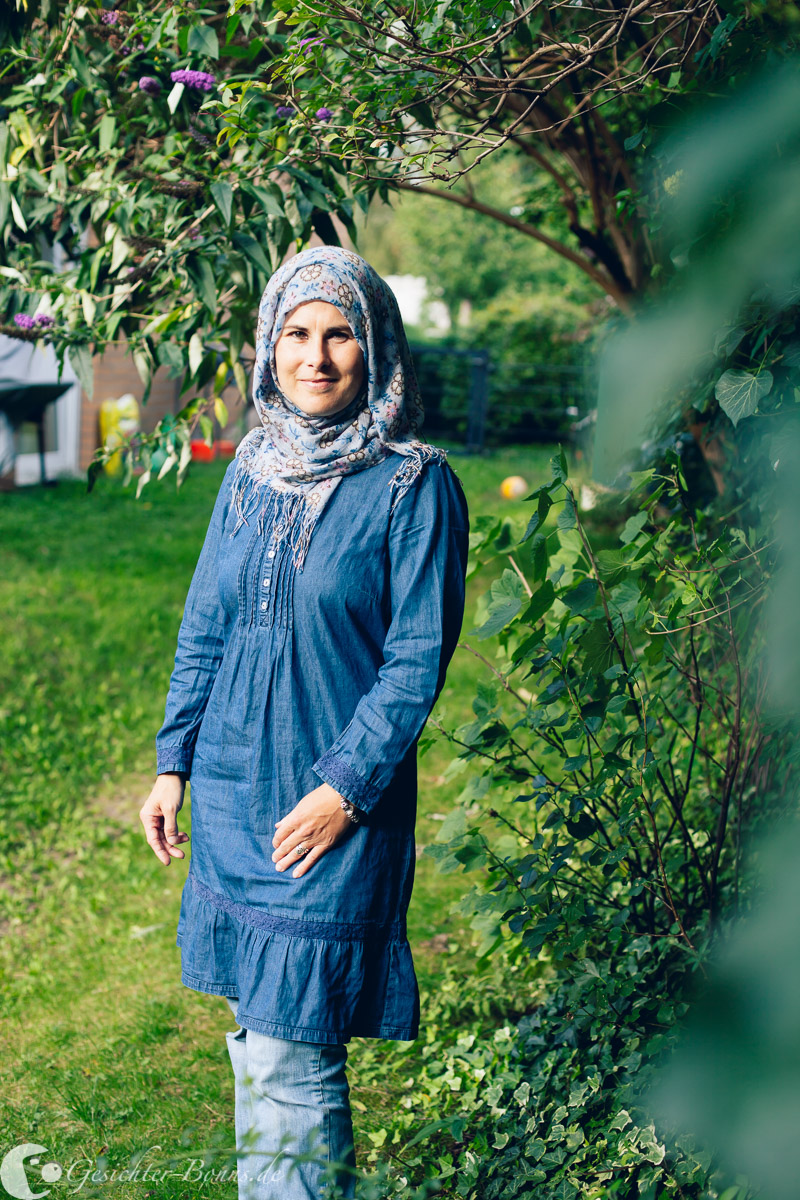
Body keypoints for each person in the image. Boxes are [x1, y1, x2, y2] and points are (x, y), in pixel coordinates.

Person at [139, 245, 470, 1200]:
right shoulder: (252, 467)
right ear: (268, 348)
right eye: (296, 333)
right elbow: (208, 622)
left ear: (375, 350)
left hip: (328, 814)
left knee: (291, 1061)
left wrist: (344, 792)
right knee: (259, 1046)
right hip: (239, 797)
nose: (315, 357)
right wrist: (174, 765)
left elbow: (415, 664)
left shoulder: (417, 485)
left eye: (339, 336)